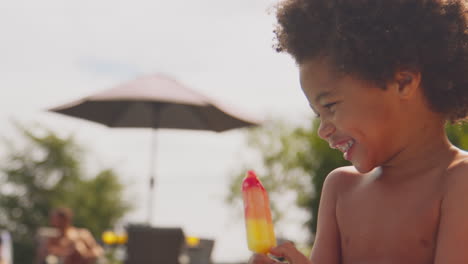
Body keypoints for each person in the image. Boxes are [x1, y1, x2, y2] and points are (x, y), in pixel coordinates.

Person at [250, 0, 468, 263]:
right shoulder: (341, 188)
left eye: (330, 106)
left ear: (403, 82)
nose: (323, 129)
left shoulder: (459, 182)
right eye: (318, 113)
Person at [37, 208, 103, 264]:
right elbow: (43, 258)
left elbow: (98, 251)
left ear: (66, 219)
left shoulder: (81, 234)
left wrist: (83, 254)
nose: (52, 222)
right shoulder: (53, 239)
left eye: (56, 219)